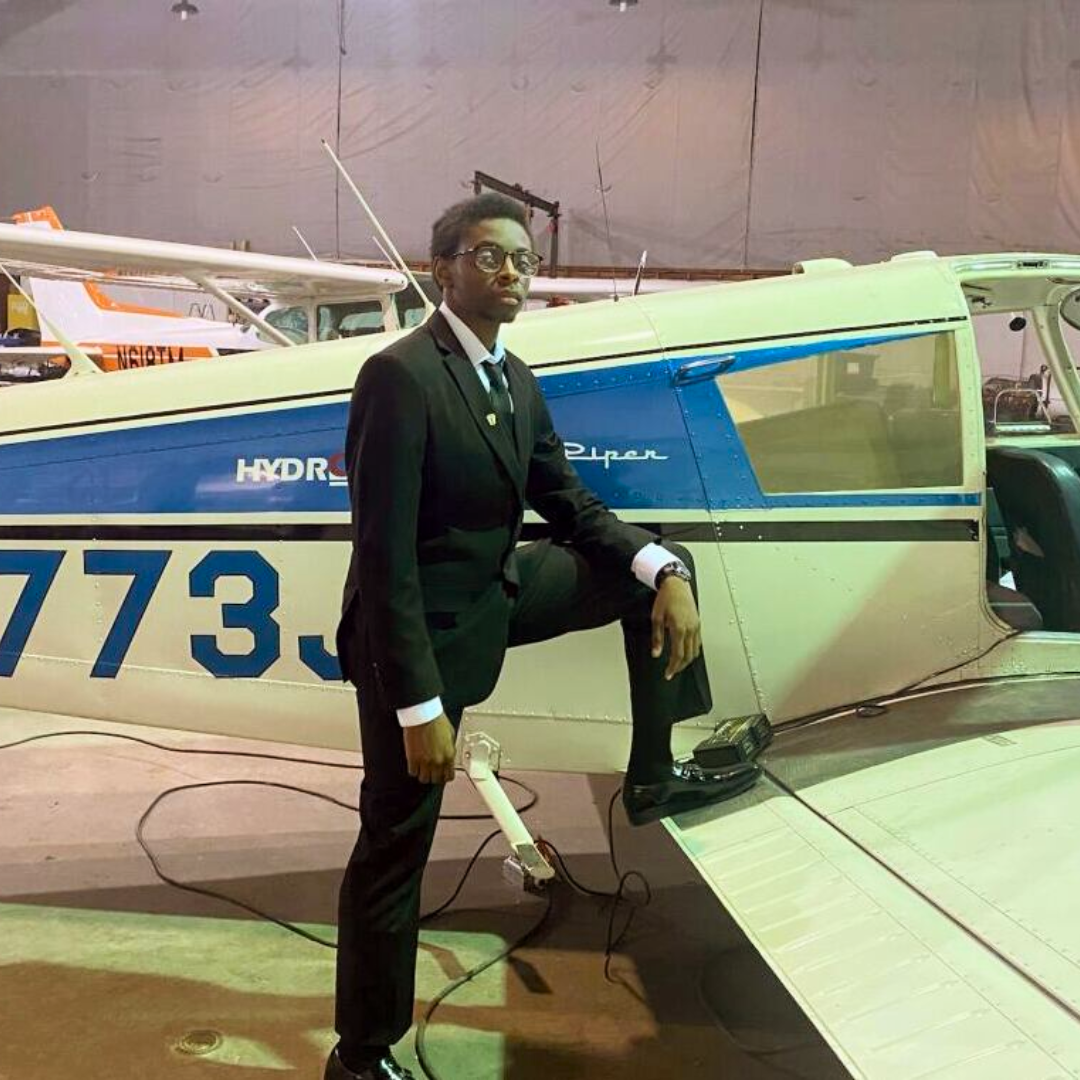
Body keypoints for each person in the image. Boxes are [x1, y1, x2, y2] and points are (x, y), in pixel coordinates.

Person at [327, 193, 745, 1080]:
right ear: (443, 269)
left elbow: (567, 501)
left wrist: (659, 569)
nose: (512, 272)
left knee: (659, 574)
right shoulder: (400, 377)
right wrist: (420, 710)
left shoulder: (513, 379)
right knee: (394, 851)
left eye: (522, 259)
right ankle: (359, 1057)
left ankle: (654, 775)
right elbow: (384, 560)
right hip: (412, 641)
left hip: (491, 595)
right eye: (489, 256)